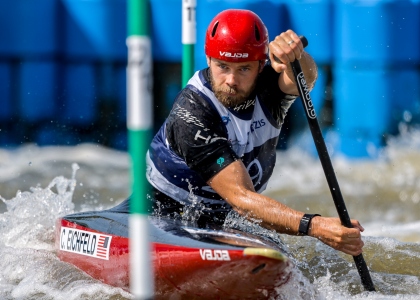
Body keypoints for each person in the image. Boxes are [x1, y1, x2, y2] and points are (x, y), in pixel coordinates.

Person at [146, 9, 364, 256]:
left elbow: (306, 78)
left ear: (261, 66)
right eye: (222, 66)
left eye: (243, 69)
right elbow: (241, 198)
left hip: (226, 222)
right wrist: (314, 226)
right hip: (162, 215)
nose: (231, 80)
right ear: (208, 60)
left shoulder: (268, 89)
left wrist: (296, 56)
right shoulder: (192, 114)